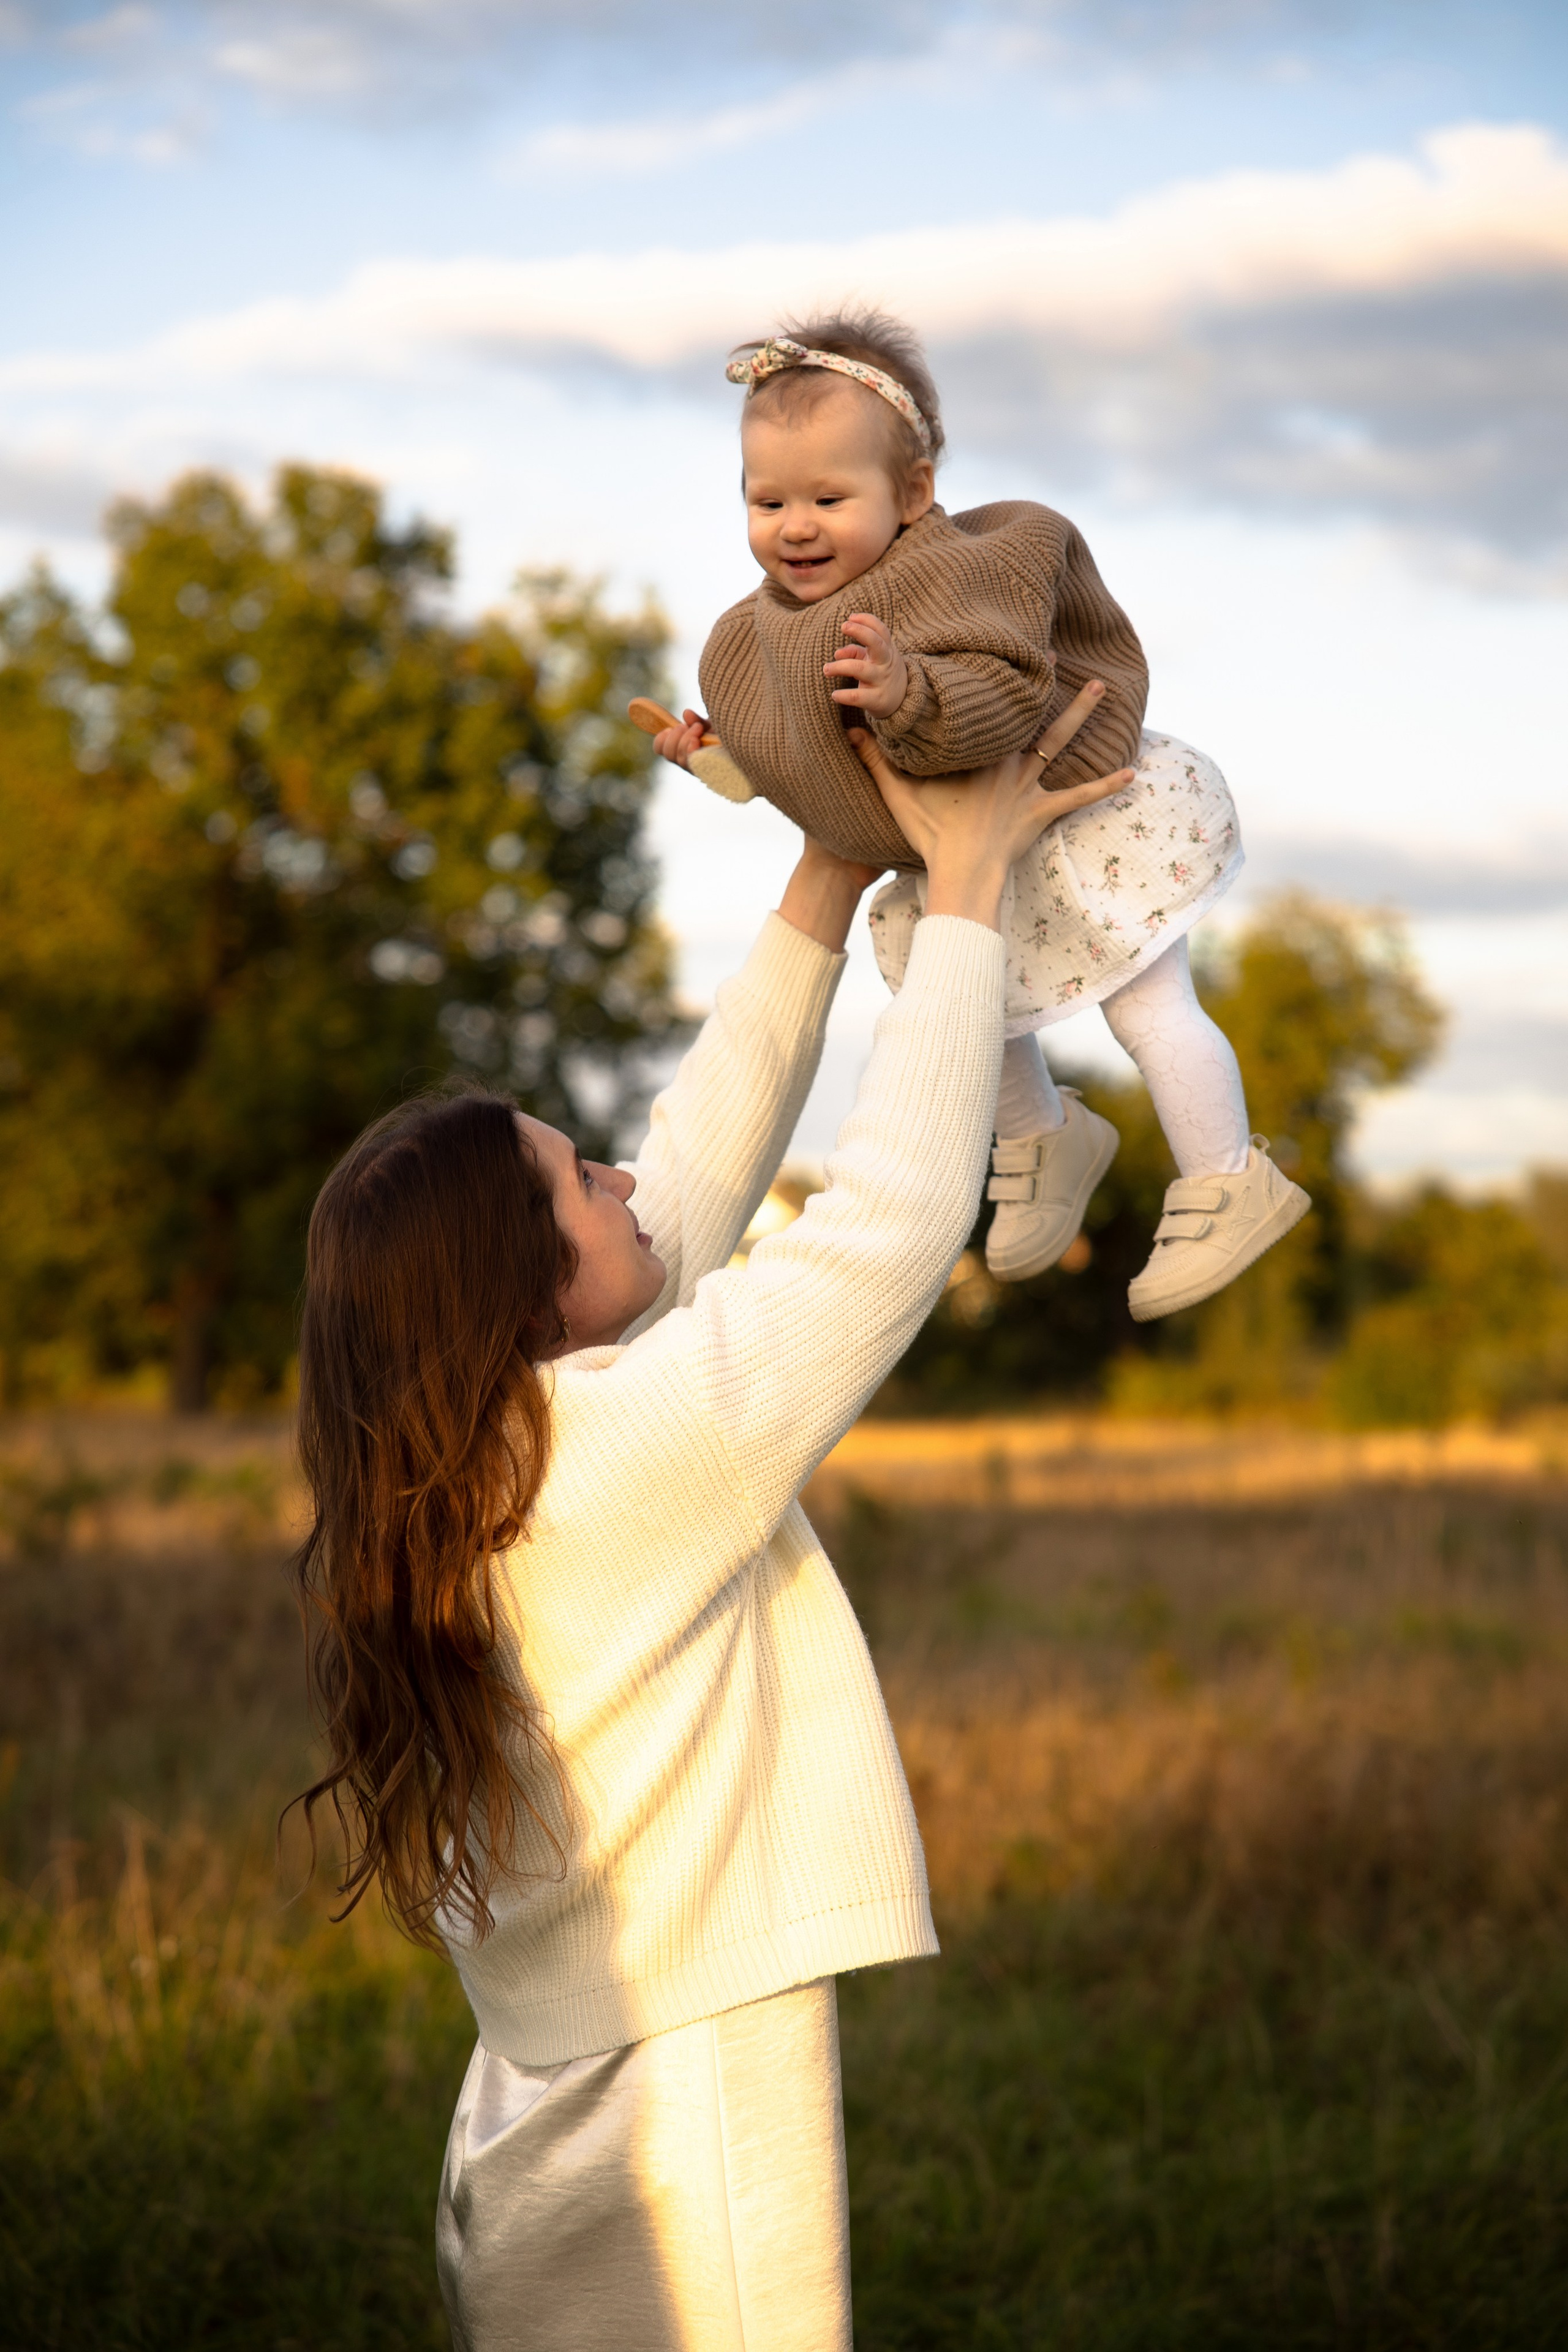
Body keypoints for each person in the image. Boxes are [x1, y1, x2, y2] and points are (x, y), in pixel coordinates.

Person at [290, 709, 1126, 2352]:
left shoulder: (472, 1459)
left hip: (541, 2080)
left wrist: (826, 869)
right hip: (681, 2098)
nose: (618, 1173)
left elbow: (673, 1192)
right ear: (515, 1297)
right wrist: (963, 893)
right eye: (571, 1180)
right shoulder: (622, 1453)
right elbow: (885, 1228)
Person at [659, 308, 1308, 1322]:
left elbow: (1004, 688)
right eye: (767, 499)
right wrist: (723, 757)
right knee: (965, 1012)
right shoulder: (756, 634)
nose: (795, 525)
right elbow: (810, 760)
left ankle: (1228, 1177)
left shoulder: (953, 572)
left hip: (1078, 827)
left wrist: (907, 690)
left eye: (831, 496)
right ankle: (1045, 1141)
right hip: (958, 857)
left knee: (1148, 1009)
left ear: (913, 494)